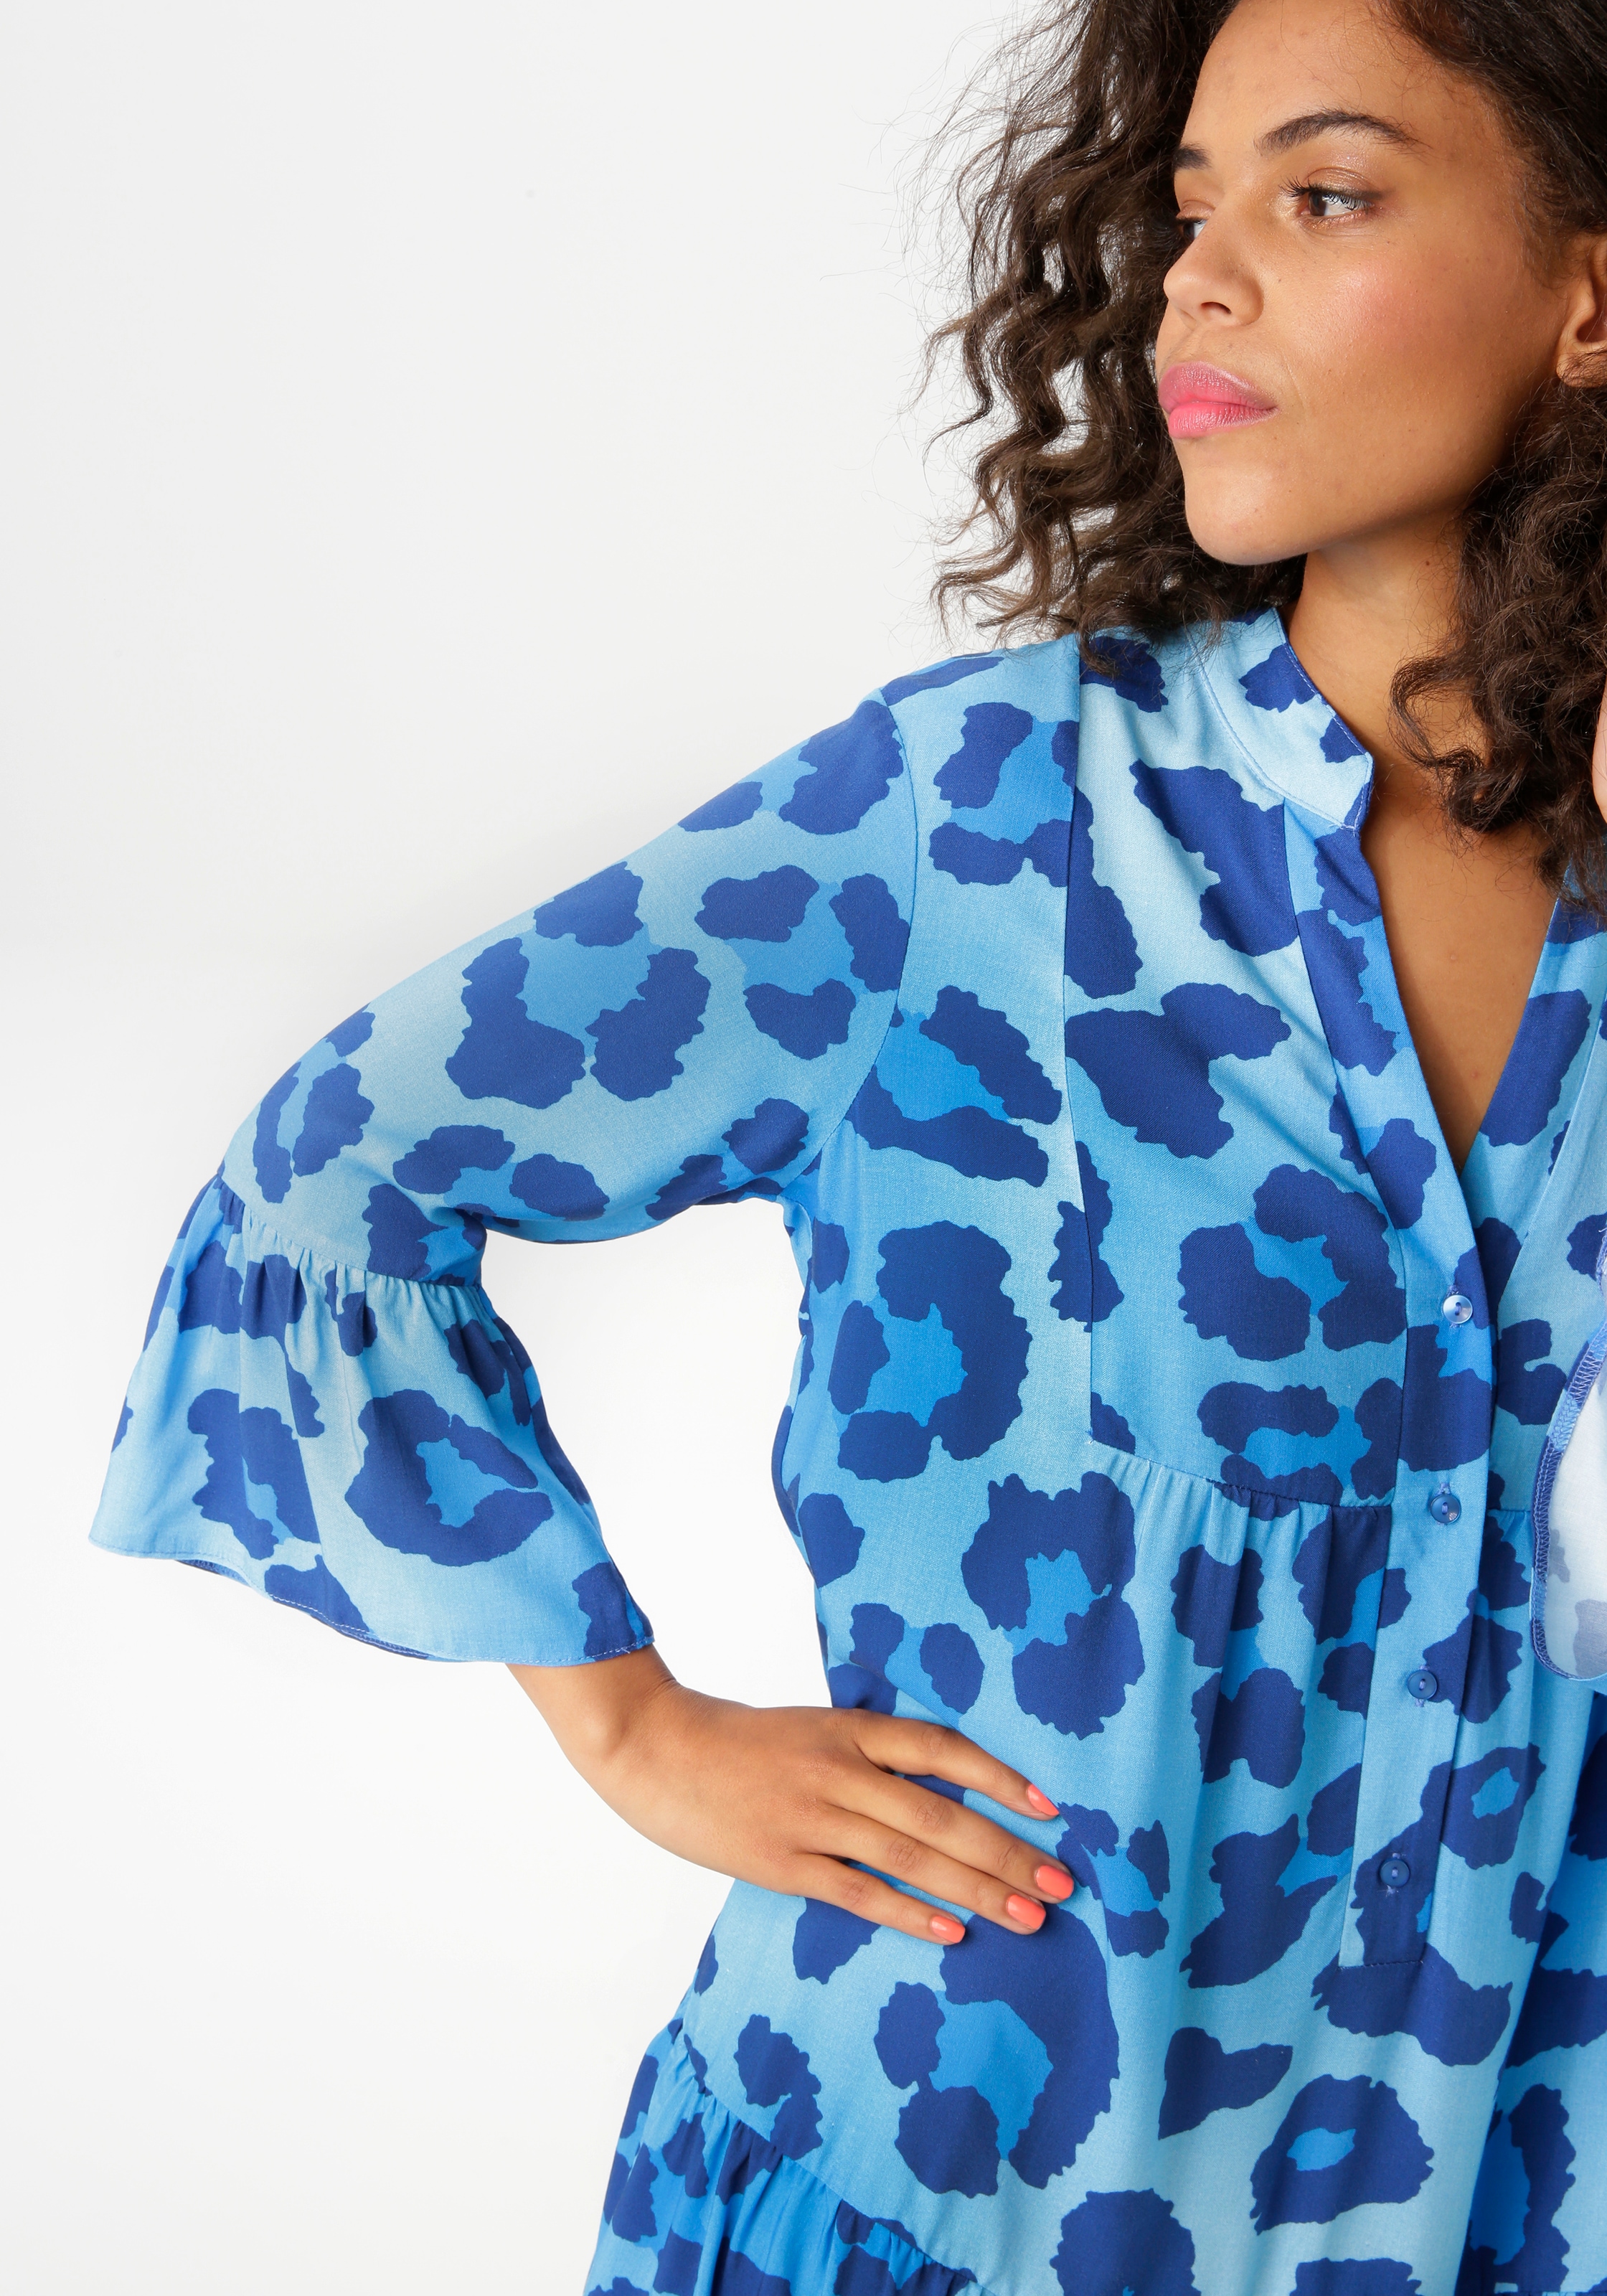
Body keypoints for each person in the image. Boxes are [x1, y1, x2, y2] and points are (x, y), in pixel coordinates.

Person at [90, 0, 1607, 2287]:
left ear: (1590, 297)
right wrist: (636, 1728)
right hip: (947, 2196)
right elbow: (336, 1177)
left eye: (1325, 196)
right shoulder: (980, 824)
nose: (1200, 280)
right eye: (1190, 207)